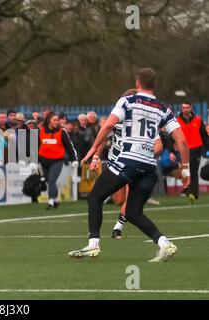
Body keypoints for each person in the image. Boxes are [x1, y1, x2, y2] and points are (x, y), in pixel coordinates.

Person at [68, 68, 190, 262]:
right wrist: (185, 169)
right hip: (149, 167)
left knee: (95, 197)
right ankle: (164, 243)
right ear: (154, 84)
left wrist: (93, 149)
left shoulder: (127, 101)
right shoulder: (163, 108)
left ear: (137, 83)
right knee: (133, 212)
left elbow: (107, 125)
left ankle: (93, 245)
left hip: (127, 161)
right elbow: (181, 141)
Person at [89, 89, 163, 240]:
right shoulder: (117, 119)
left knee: (128, 200)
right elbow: (103, 138)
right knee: (119, 200)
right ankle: (117, 228)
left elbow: (159, 145)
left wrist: (145, 154)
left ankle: (116, 229)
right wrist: (96, 157)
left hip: (130, 163)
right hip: (115, 162)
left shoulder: (137, 119)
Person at [39, 112, 78, 210]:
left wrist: (74, 159)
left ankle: (51, 202)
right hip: (44, 160)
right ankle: (56, 199)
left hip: (57, 160)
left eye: (57, 120)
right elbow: (35, 146)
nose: (57, 122)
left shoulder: (62, 132)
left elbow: (69, 146)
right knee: (49, 181)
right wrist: (33, 160)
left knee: (52, 180)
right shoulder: (41, 131)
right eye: (54, 120)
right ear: (49, 120)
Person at [176, 102, 209, 204]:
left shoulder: (198, 120)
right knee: (185, 170)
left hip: (196, 148)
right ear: (181, 109)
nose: (185, 109)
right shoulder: (177, 121)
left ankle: (193, 194)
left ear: (191, 108)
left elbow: (204, 136)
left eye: (187, 107)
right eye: (183, 108)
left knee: (193, 171)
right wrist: (172, 150)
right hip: (183, 149)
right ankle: (188, 191)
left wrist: (207, 149)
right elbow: (172, 136)